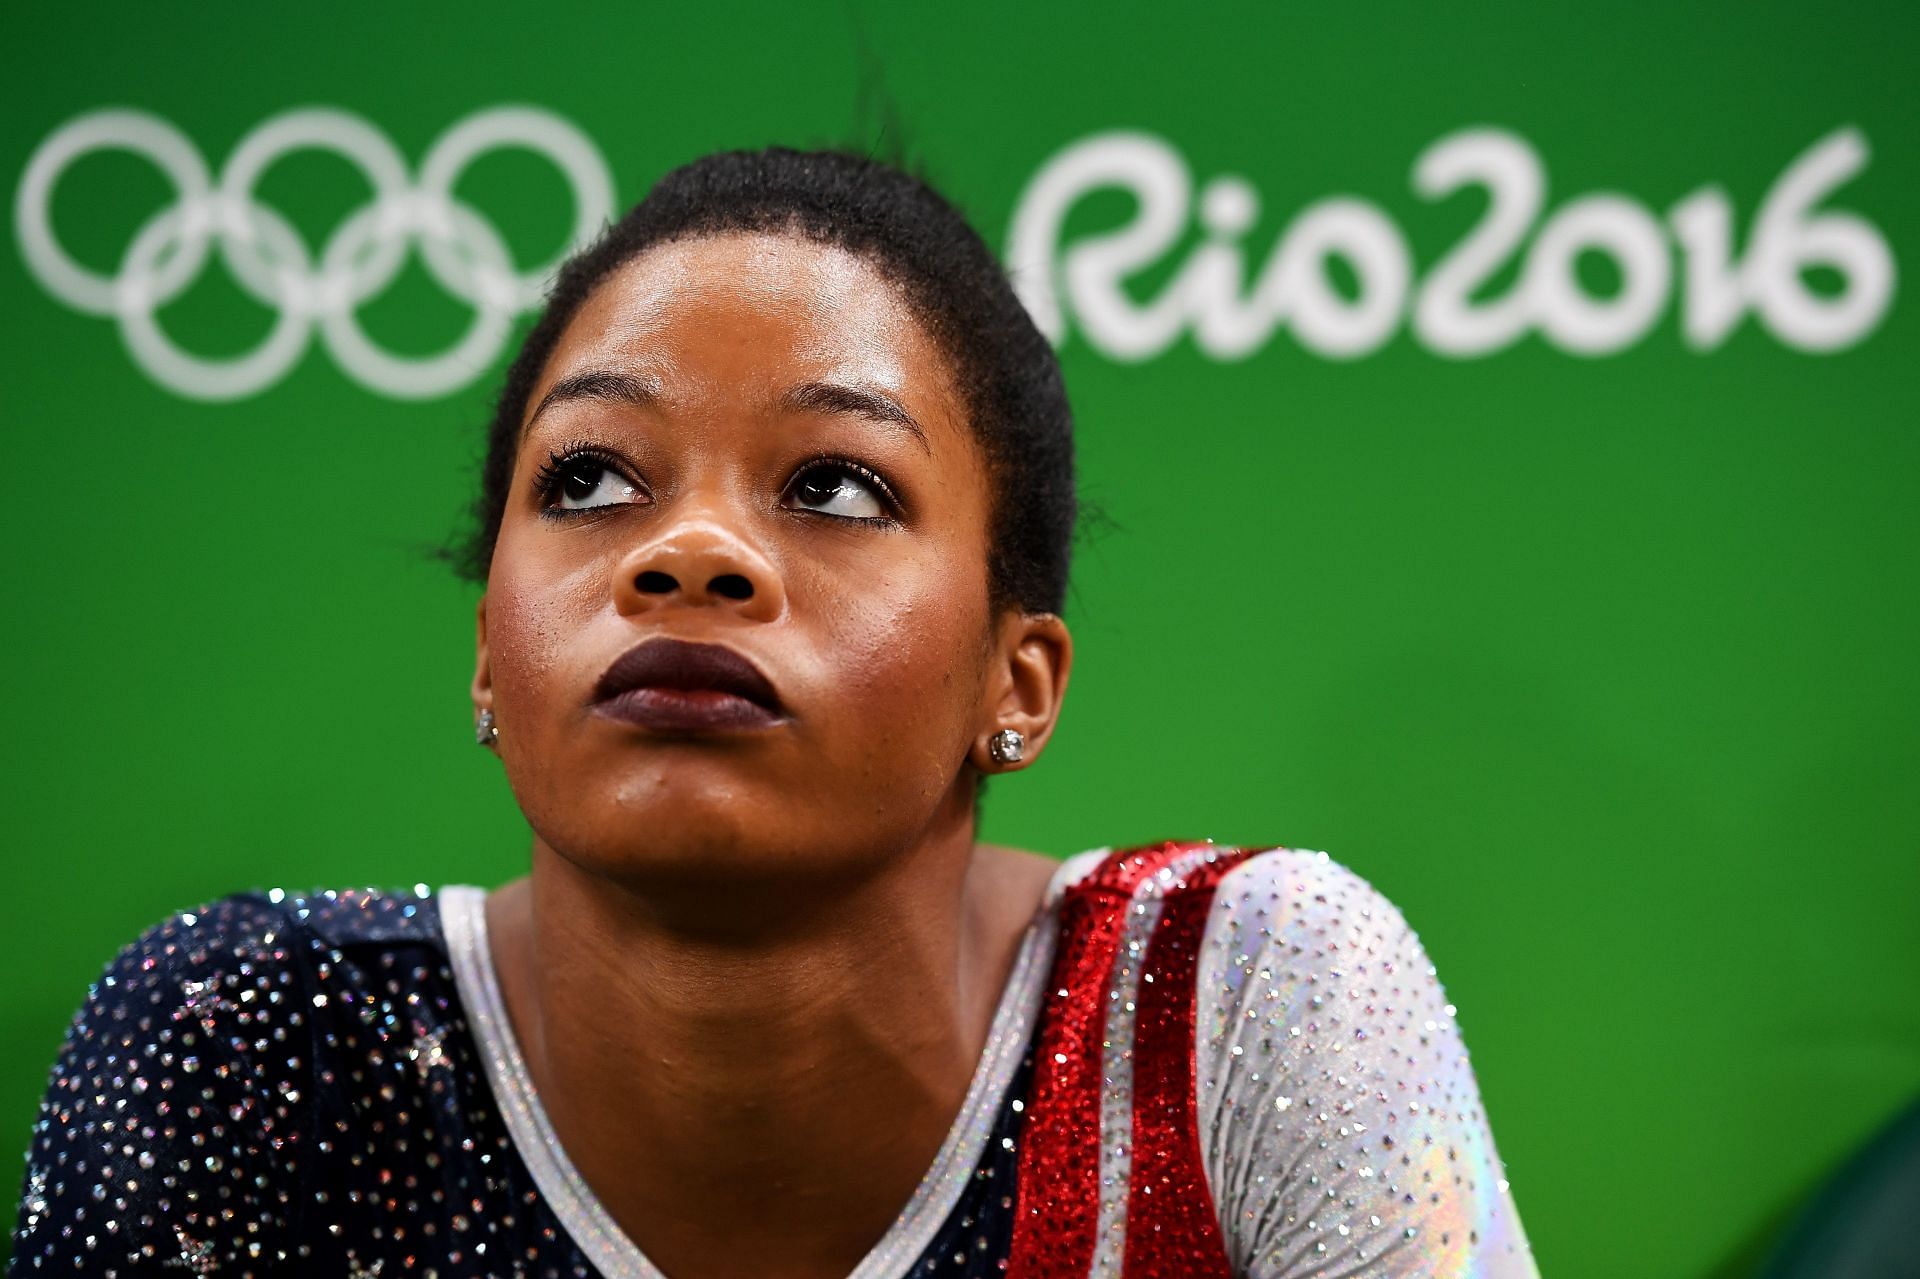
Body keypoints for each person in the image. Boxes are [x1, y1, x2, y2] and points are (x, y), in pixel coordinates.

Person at [8, 148, 1540, 1279]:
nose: (690, 552)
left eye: (835, 488)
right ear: (489, 651)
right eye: (590, 481)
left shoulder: (1237, 1009)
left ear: (1019, 683)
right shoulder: (252, 1045)